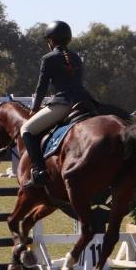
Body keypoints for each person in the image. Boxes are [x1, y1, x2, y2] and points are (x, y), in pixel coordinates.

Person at [20, 20, 93, 187]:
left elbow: (41, 88)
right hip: (85, 102)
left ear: (51, 40)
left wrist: (35, 109)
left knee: (26, 129)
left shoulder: (48, 58)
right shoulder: (76, 57)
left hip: (64, 104)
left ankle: (39, 171)